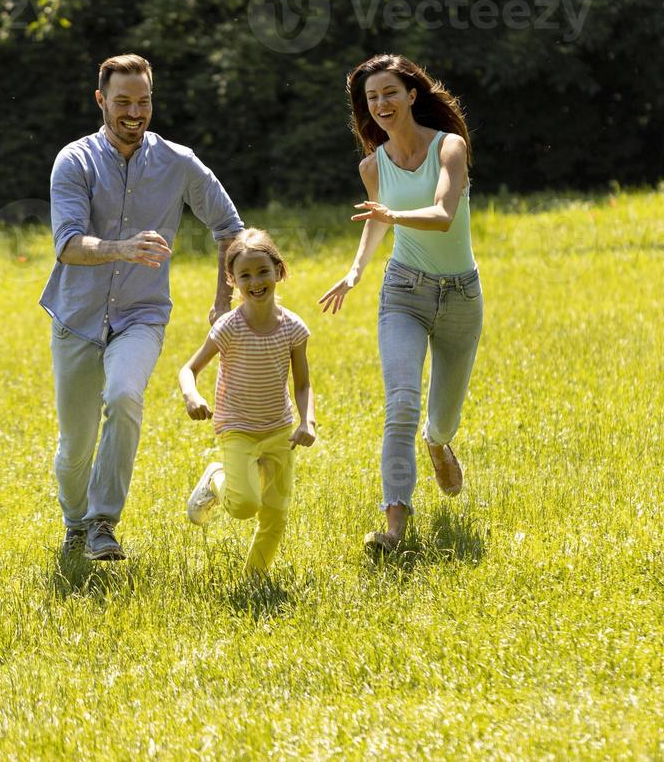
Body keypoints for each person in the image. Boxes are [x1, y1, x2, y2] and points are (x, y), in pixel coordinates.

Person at [41, 53, 244, 561]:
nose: (134, 112)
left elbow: (230, 229)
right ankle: (75, 523)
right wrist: (121, 247)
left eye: (144, 101)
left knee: (126, 395)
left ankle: (103, 523)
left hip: (141, 315)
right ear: (101, 101)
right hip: (77, 318)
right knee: (74, 449)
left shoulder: (178, 162)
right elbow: (67, 244)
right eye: (123, 102)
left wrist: (223, 302)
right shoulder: (75, 161)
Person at [319, 53, 483, 555]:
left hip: (460, 295)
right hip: (403, 292)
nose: (381, 104)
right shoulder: (373, 165)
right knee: (401, 405)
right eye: (371, 98)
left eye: (390, 92)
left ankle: (439, 442)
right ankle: (394, 525)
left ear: (413, 94)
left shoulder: (449, 147)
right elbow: (376, 220)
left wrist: (391, 212)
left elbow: (442, 214)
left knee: (443, 417)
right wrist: (355, 271)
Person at [180, 228, 316, 577]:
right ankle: (215, 478)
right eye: (245, 275)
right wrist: (191, 394)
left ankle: (254, 578)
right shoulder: (229, 327)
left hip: (279, 430)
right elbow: (189, 369)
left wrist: (307, 421)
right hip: (237, 427)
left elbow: (302, 384)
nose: (255, 281)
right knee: (243, 505)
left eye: (262, 272)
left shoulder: (293, 329)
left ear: (279, 272)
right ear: (232, 282)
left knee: (275, 512)